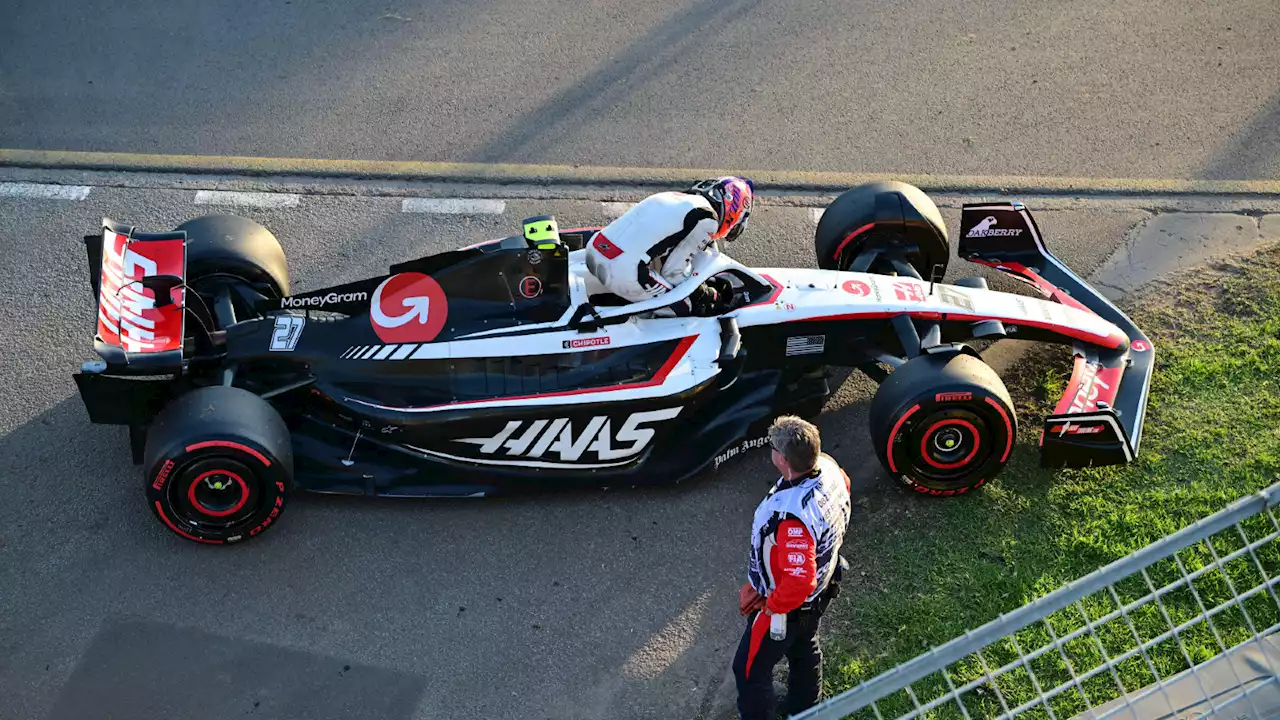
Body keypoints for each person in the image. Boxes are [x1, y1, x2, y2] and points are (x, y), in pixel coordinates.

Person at [733, 416, 852, 720]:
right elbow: (846, 486)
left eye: (772, 447)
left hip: (791, 606)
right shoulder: (828, 469)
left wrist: (771, 608)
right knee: (804, 649)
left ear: (783, 460)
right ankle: (806, 709)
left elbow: (799, 582)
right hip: (824, 587)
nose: (770, 450)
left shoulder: (792, 519)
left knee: (749, 670)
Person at [584, 176, 753, 314]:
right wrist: (706, 293)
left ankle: (628, 297)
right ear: (735, 210)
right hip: (623, 272)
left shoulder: (675, 197)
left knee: (651, 272)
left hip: (595, 250)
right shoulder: (707, 220)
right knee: (686, 305)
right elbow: (673, 273)